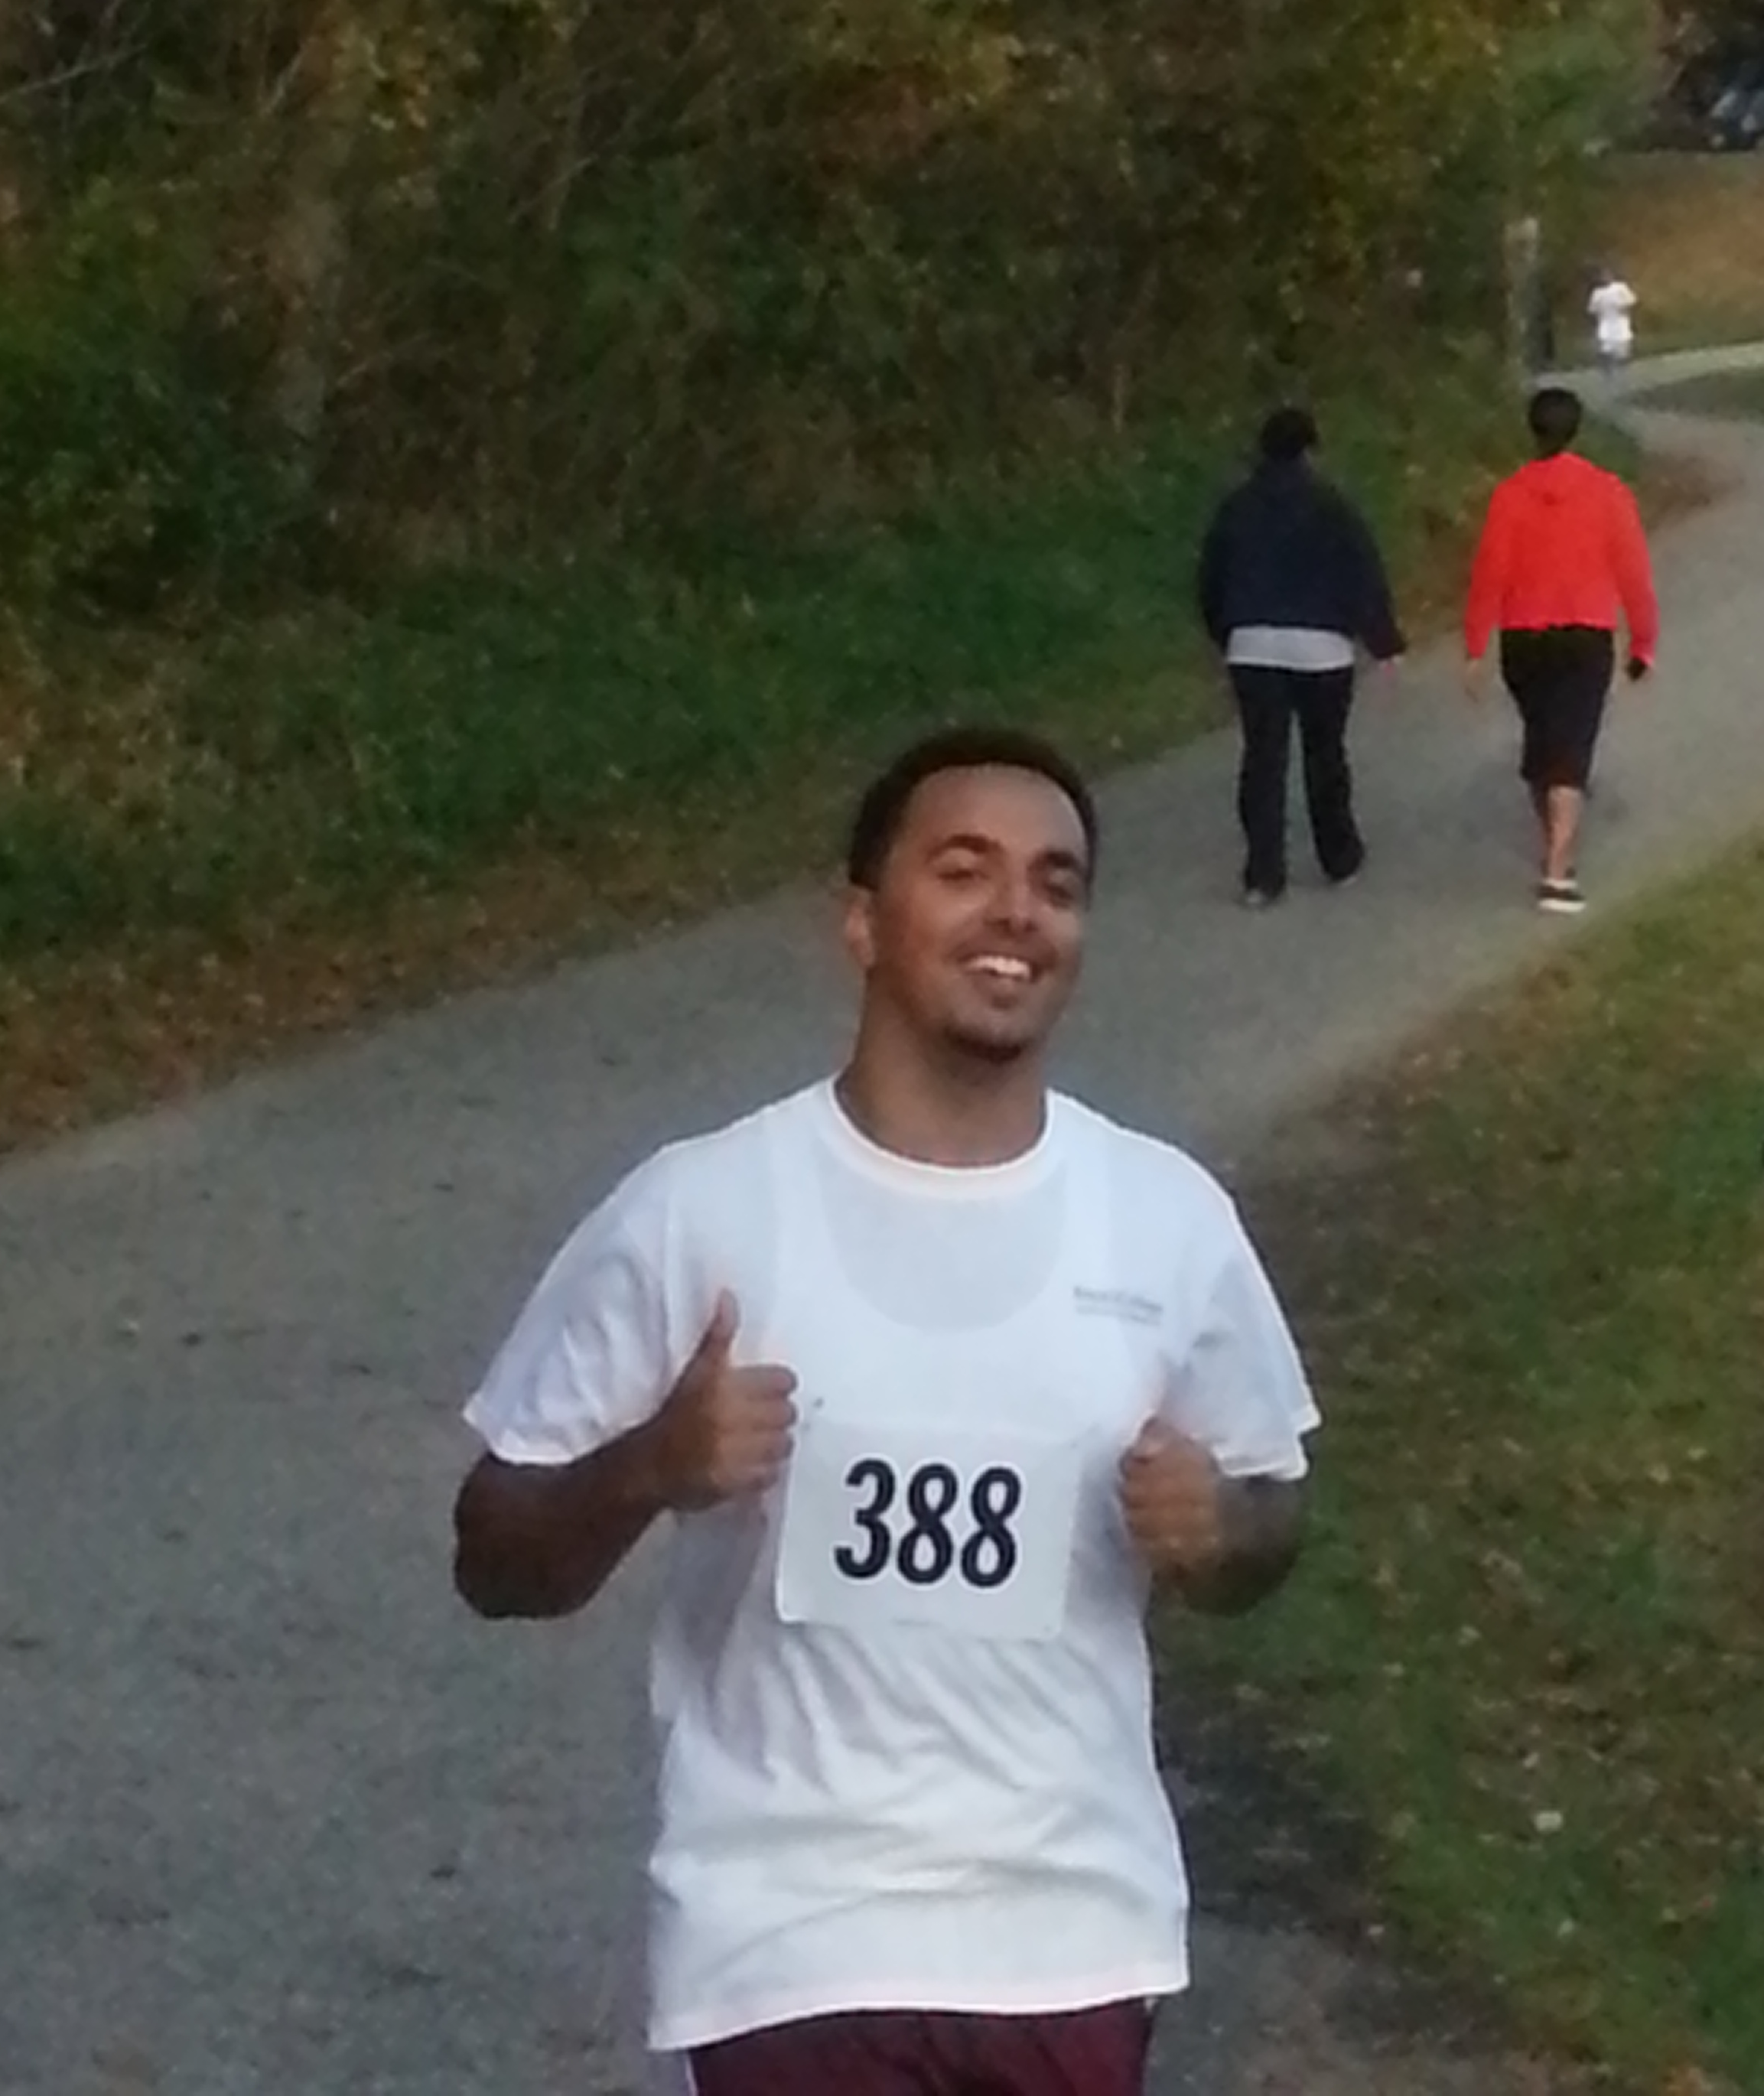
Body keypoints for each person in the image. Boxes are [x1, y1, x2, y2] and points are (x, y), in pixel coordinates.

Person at [453, 727, 1320, 2096]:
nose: (1016, 910)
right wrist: (648, 1466)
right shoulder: (702, 1209)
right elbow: (495, 1556)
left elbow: (1271, 1512)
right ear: (860, 922)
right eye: (963, 870)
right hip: (793, 1938)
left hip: (1071, 1935)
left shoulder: (1165, 1219)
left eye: (1055, 882)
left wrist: (1218, 1530)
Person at [1196, 405, 1406, 909]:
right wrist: (1384, 641)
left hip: (1252, 645)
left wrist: (1226, 634)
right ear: (1311, 451)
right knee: (1324, 752)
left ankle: (1263, 875)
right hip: (1322, 648)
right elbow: (1361, 575)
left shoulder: (1236, 507)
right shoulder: (1333, 507)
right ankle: (1339, 855)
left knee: (1263, 757)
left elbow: (1211, 578)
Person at [1463, 385, 1658, 915]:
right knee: (1571, 748)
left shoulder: (1510, 495)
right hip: (1584, 634)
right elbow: (1633, 572)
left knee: (1545, 738)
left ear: (1532, 430)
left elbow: (1490, 572)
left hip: (1524, 638)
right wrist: (1643, 642)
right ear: (1577, 429)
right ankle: (1557, 872)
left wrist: (1476, 644)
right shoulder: (1607, 492)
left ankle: (1556, 844)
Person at [1587, 265, 1637, 383]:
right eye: (1602, 276)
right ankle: (1608, 374)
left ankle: (1623, 375)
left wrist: (1623, 306)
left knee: (1623, 351)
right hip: (1605, 325)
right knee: (1606, 350)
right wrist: (1598, 312)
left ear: (1612, 276)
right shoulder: (1597, 293)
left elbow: (1632, 301)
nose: (1605, 278)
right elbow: (1592, 309)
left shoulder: (1620, 287)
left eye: (1607, 275)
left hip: (1620, 324)